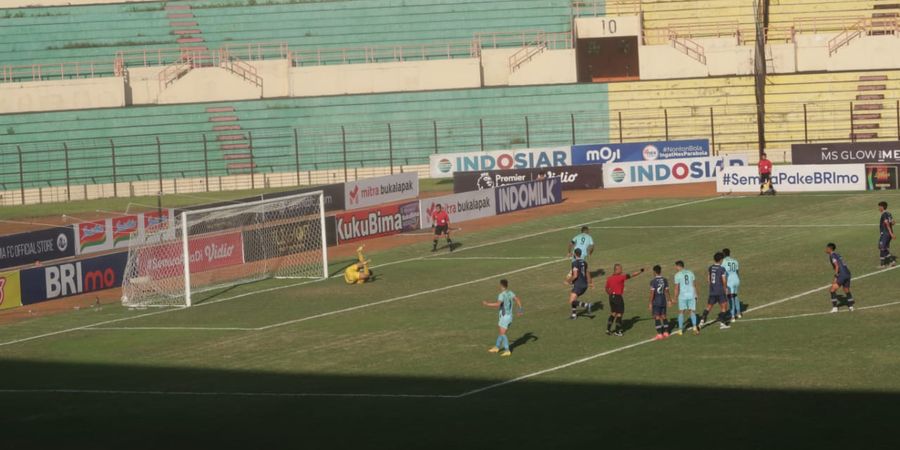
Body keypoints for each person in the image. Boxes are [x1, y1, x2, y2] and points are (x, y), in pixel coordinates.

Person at [482, 279, 523, 357]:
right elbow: (517, 299)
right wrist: (520, 309)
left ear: (501, 285)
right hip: (509, 316)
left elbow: (497, 304)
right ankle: (497, 347)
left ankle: (507, 350)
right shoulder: (510, 292)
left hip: (504, 317)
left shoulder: (501, 295)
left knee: (503, 334)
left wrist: (487, 304)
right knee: (501, 332)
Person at [604, 264, 645, 336]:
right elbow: (632, 275)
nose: (621, 270)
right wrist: (640, 271)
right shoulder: (621, 277)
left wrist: (610, 294)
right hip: (618, 297)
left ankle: (608, 329)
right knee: (620, 314)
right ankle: (617, 331)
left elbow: (606, 288)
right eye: (620, 269)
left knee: (613, 313)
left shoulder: (609, 278)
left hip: (611, 297)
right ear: (616, 269)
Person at [700, 252, 731, 329]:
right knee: (724, 306)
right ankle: (722, 324)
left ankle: (702, 320)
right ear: (721, 260)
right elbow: (724, 280)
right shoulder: (722, 269)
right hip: (720, 291)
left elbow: (708, 280)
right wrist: (726, 289)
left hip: (712, 291)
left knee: (708, 307)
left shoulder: (710, 268)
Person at [565, 248, 595, 320]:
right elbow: (587, 273)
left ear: (575, 254)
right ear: (580, 254)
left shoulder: (575, 263)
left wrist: (568, 281)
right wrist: (590, 282)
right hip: (584, 284)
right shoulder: (584, 262)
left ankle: (587, 305)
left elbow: (575, 275)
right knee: (574, 299)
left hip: (579, 284)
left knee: (571, 300)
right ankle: (574, 315)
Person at [673, 260, 700, 335]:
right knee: (692, 311)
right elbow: (694, 285)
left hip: (683, 296)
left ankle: (680, 330)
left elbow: (676, 288)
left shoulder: (677, 275)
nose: (675, 268)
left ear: (678, 266)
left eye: (675, 266)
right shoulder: (691, 272)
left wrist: (675, 298)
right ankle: (694, 327)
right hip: (691, 294)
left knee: (681, 312)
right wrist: (696, 295)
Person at [826, 243, 855, 313]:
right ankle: (851, 306)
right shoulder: (837, 254)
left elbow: (837, 266)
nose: (826, 249)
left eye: (826, 248)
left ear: (830, 249)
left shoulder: (832, 255)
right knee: (846, 290)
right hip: (847, 273)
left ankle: (835, 308)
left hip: (842, 274)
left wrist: (836, 277)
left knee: (832, 290)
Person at [648, 265, 672, 340]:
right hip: (663, 300)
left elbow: (652, 293)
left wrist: (650, 303)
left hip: (656, 301)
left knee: (657, 317)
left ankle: (659, 334)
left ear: (654, 272)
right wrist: (669, 300)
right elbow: (667, 291)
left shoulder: (653, 281)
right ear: (660, 271)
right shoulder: (665, 280)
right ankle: (666, 332)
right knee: (664, 316)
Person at [722, 248, 742, 320]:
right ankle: (739, 313)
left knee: (730, 298)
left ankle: (733, 316)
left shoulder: (724, 261)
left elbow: (723, 273)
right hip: (736, 279)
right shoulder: (735, 261)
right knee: (735, 296)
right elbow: (737, 271)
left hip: (729, 281)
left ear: (723, 254)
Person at [878, 201, 896, 268]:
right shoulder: (889, 213)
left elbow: (887, 223)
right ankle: (882, 264)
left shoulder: (884, 214)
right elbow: (893, 222)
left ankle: (891, 262)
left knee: (883, 248)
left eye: (879, 207)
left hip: (886, 233)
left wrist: (891, 233)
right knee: (882, 247)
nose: (879, 208)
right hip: (887, 234)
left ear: (882, 207)